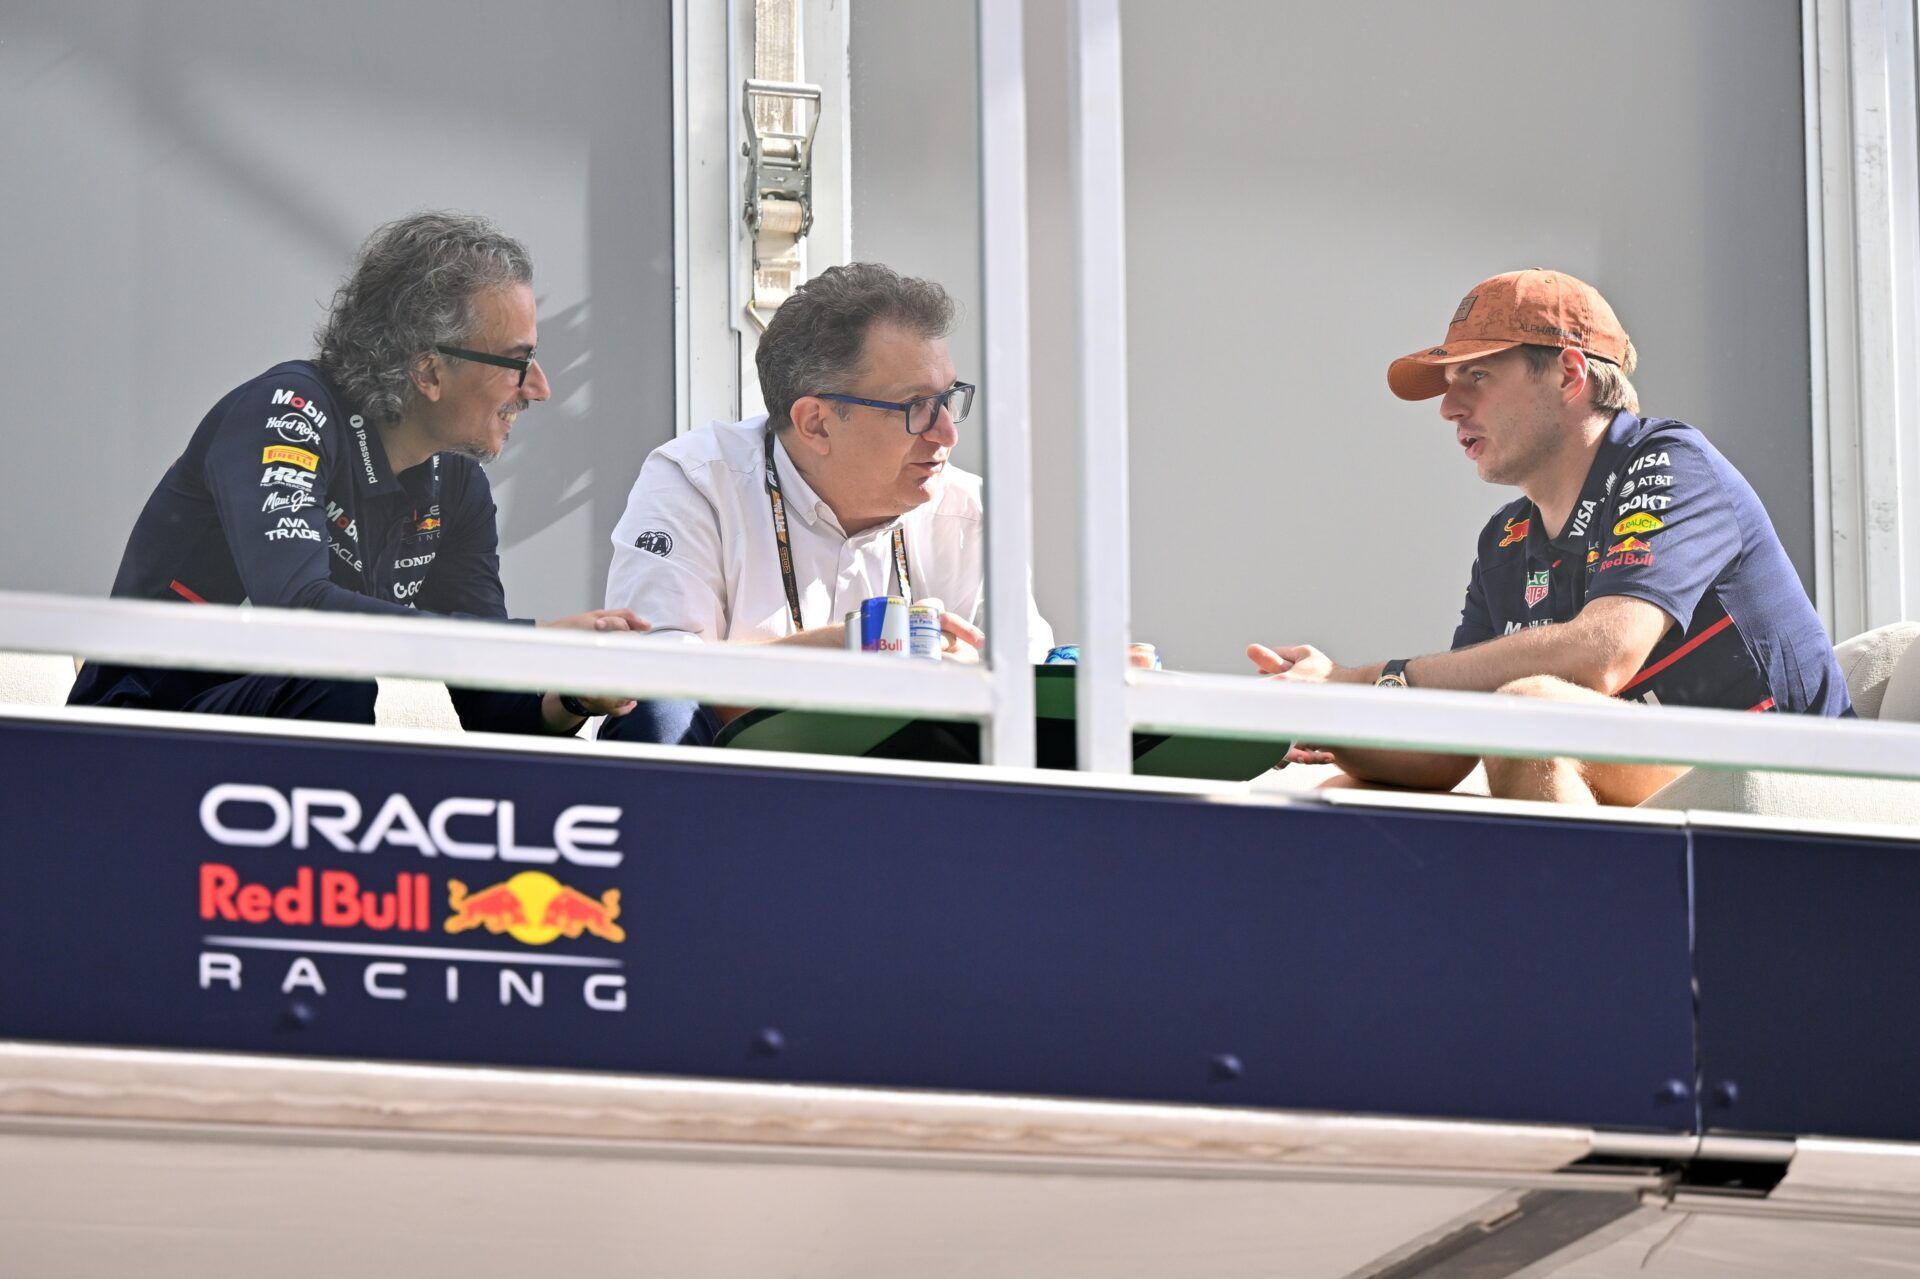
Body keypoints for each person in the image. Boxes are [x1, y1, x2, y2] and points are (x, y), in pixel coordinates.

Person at [1250, 268, 1851, 805]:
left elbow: (1602, 658)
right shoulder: (1505, 539)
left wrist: (1365, 678)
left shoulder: (1671, 462)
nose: (1448, 407)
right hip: (1688, 804)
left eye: (1476, 375)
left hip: (1806, 794)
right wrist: (1326, 710)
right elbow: (1446, 739)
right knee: (1333, 783)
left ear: (1568, 373)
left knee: (1532, 708)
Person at [69, 211, 646, 734]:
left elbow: (492, 708)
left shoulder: (456, 485)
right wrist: (532, 639)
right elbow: (299, 608)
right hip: (134, 739)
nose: (540, 388)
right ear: (428, 371)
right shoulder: (286, 412)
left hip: (265, 754)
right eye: (518, 361)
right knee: (332, 669)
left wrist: (573, 694)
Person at [602, 262, 1054, 745]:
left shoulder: (967, 510)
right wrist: (829, 655)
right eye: (916, 407)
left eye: (949, 399)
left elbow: (1029, 676)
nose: (948, 432)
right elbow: (653, 680)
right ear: (816, 423)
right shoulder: (698, 481)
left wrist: (976, 681)